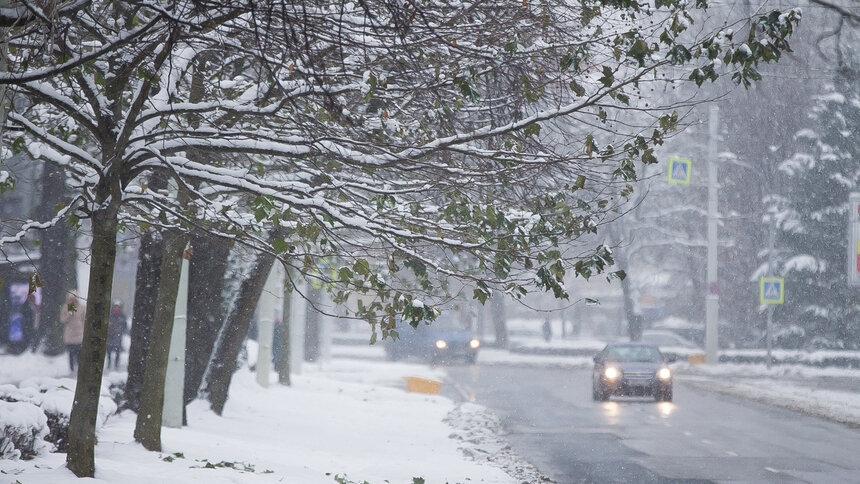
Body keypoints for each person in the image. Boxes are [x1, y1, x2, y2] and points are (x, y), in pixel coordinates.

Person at [60, 292, 86, 373]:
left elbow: (84, 319)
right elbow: (62, 320)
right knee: (71, 353)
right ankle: (71, 369)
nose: (72, 300)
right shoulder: (65, 307)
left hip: (79, 333)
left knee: (79, 353)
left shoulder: (82, 307)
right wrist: (69, 314)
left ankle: (79, 368)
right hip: (70, 333)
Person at [106, 300, 128, 370]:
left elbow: (125, 326)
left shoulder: (122, 316)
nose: (116, 308)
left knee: (117, 352)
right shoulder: (110, 315)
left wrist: (120, 331)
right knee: (109, 351)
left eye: (118, 307)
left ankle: (116, 365)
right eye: (115, 307)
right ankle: (109, 364)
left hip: (118, 337)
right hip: (110, 336)